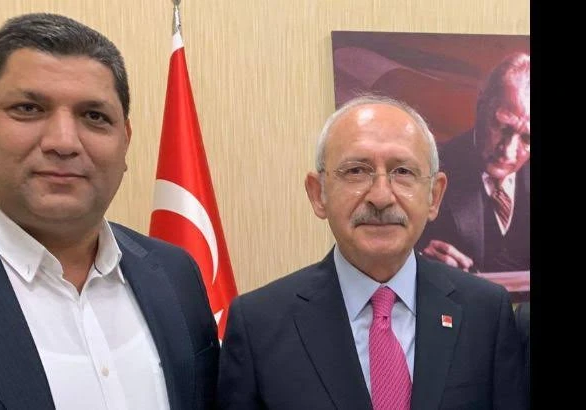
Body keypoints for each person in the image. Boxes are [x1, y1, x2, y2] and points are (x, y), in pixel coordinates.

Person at [0, 13, 219, 410]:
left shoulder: (175, 275)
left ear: (126, 139)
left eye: (94, 116)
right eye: (29, 108)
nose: (64, 142)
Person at [217, 93, 527, 409]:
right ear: (318, 193)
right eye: (356, 171)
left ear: (434, 196)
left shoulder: (486, 313)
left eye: (403, 171)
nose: (381, 197)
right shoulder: (259, 325)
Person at [417, 52, 530, 273]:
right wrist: (420, 261)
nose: (508, 152)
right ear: (480, 105)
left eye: (527, 139)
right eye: (502, 127)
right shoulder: (428, 170)